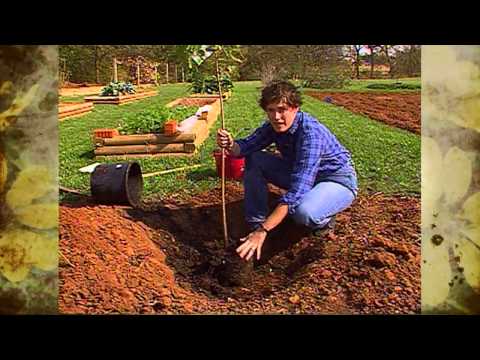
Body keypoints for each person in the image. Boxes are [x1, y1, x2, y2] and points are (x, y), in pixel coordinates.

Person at [217, 80, 358, 262]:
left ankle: (325, 220)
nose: (276, 116)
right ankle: (255, 222)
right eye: (271, 110)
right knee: (254, 158)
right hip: (299, 173)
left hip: (335, 179)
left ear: (295, 108)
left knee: (303, 212)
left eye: (282, 109)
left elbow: (297, 190)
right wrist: (230, 144)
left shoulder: (310, 134)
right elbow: (245, 148)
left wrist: (264, 231)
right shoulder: (273, 127)